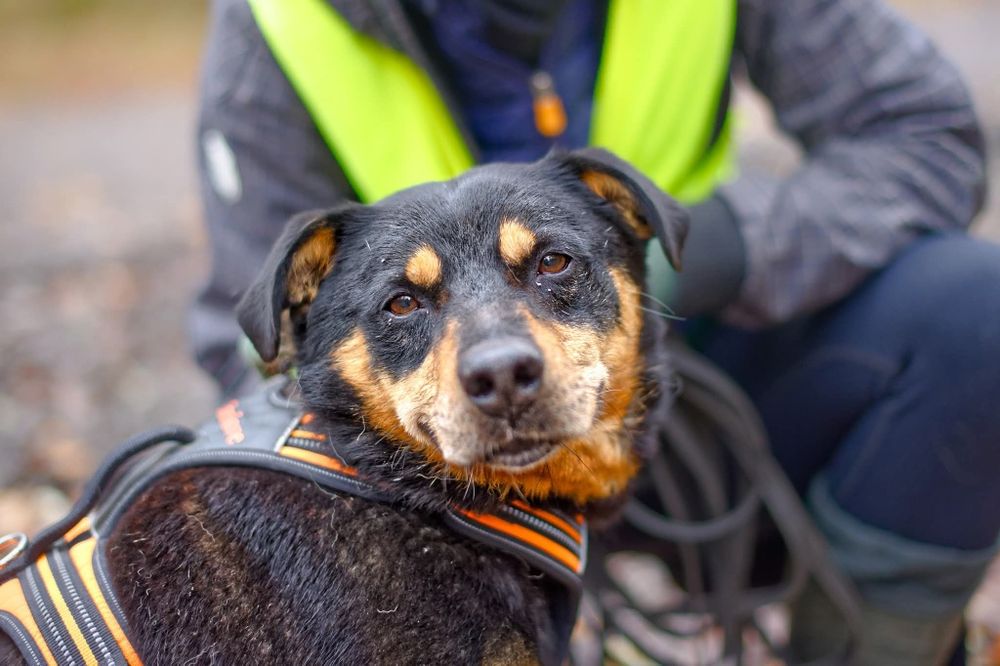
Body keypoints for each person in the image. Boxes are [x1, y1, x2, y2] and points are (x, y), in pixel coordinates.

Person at [190, 0, 999, 662]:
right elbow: (254, 338)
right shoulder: (284, 24)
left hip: (687, 381)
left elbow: (921, 132)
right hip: (429, 480)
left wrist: (724, 246)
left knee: (976, 316)